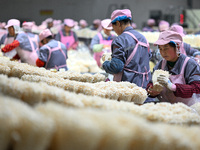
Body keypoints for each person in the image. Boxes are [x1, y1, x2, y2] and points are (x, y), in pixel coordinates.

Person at [102, 9, 153, 102]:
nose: (114, 30)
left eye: (113, 26)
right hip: (143, 87)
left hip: (126, 89)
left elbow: (116, 67)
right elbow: (148, 57)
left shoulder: (120, 40)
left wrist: (105, 63)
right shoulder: (143, 38)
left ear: (118, 23)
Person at [147, 30, 200, 106]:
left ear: (177, 47)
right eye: (160, 49)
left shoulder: (190, 64)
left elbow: (197, 87)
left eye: (166, 48)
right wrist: (151, 90)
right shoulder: (160, 65)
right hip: (167, 109)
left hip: (188, 109)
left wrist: (173, 87)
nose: (163, 52)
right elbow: (151, 83)